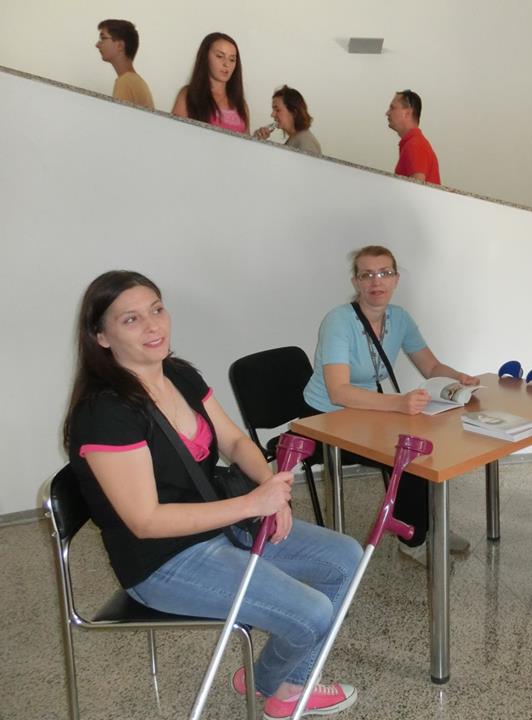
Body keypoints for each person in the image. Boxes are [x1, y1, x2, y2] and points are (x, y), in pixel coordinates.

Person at [64, 271, 362, 718]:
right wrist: (252, 504)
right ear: (101, 337)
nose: (152, 326)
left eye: (157, 309)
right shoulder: (105, 414)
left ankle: (274, 682)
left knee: (345, 559)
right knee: (314, 613)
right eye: (131, 319)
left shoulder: (178, 374)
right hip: (163, 561)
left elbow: (236, 442)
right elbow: (145, 521)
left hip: (221, 522)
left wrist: (272, 492)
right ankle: (284, 693)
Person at [303, 245, 476, 565]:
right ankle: (413, 540)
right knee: (408, 454)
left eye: (384, 273)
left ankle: (431, 526)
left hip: (368, 410)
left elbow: (431, 367)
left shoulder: (399, 318)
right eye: (367, 274)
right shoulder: (338, 322)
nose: (376, 281)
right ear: (356, 282)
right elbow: (339, 392)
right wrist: (398, 403)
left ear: (396, 279)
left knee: (428, 445)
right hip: (327, 418)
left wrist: (460, 378)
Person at [172, 32, 249, 134]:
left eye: (232, 59)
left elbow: (245, 141)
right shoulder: (188, 95)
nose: (226, 64)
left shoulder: (241, 104)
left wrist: (257, 139)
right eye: (219, 56)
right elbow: (174, 134)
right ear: (205, 57)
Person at [95, 19, 154, 110]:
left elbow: (118, 118)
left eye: (103, 38)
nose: (97, 45)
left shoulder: (125, 83)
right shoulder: (134, 81)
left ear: (120, 45)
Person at [385, 90, 440, 184]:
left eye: (392, 108)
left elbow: (416, 188)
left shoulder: (414, 145)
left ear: (407, 113)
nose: (387, 113)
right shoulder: (415, 143)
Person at [254, 85, 322, 156]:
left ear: (294, 112)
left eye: (277, 110)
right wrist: (258, 142)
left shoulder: (306, 142)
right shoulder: (296, 138)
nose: (272, 114)